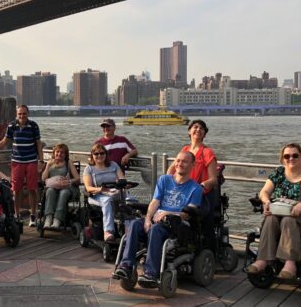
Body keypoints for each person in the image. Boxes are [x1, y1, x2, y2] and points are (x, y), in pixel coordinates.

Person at [114, 151, 203, 287]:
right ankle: (126, 266)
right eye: (178, 160)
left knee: (156, 229)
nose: (180, 164)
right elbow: (155, 202)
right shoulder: (164, 180)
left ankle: (151, 273)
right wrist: (148, 218)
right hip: (155, 220)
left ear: (193, 165)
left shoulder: (195, 188)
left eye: (184, 161)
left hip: (176, 225)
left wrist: (167, 213)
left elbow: (187, 214)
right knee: (135, 224)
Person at [245, 143, 301, 280]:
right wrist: (266, 202)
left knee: (289, 220)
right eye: (287, 156)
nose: (291, 159)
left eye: (295, 155)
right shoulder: (278, 173)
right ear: (282, 159)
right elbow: (264, 192)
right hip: (279, 213)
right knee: (270, 219)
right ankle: (263, 259)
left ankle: (290, 263)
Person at [0, 105, 43, 227]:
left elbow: (38, 144)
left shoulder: (33, 126)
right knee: (16, 190)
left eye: (24, 114)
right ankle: (17, 215)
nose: (22, 116)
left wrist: (41, 161)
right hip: (17, 161)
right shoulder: (12, 126)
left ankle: (33, 215)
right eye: (20, 114)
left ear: (28, 114)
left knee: (32, 189)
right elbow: (4, 141)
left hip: (31, 160)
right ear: (16, 114)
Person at [166, 119, 218, 248]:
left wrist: (202, 184)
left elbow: (213, 179)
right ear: (189, 131)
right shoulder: (185, 149)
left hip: (199, 194)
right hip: (182, 190)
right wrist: (169, 182)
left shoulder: (207, 152)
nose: (198, 130)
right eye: (195, 127)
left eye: (202, 128)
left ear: (204, 134)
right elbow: (171, 169)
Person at [82, 143, 125, 242]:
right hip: (96, 195)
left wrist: (121, 184)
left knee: (128, 199)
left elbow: (122, 179)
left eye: (102, 153)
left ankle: (129, 227)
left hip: (114, 192)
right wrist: (101, 189)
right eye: (96, 154)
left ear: (106, 154)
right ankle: (108, 231)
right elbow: (88, 188)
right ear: (92, 155)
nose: (99, 156)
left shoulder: (113, 165)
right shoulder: (89, 168)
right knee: (107, 200)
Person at [40, 143, 81, 230]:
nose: (59, 154)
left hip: (67, 187)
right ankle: (48, 218)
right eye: (57, 152)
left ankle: (57, 220)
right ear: (54, 153)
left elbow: (77, 179)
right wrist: (47, 166)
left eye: (62, 152)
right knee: (50, 191)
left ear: (66, 154)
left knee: (63, 193)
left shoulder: (68, 163)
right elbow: (43, 179)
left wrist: (68, 181)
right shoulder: (50, 163)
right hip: (53, 187)